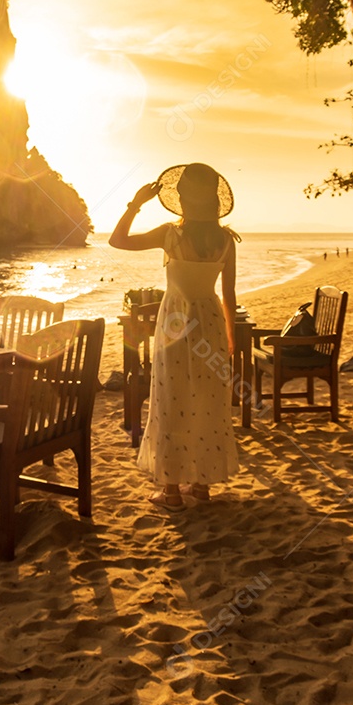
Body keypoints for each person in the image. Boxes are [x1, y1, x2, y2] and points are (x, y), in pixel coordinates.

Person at [109, 162, 240, 510]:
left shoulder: (170, 234)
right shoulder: (226, 240)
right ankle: (200, 486)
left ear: (182, 198)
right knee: (207, 402)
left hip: (175, 324)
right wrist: (231, 340)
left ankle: (169, 491)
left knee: (172, 400)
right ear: (212, 199)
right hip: (210, 323)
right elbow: (229, 298)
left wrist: (135, 204)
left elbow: (116, 240)